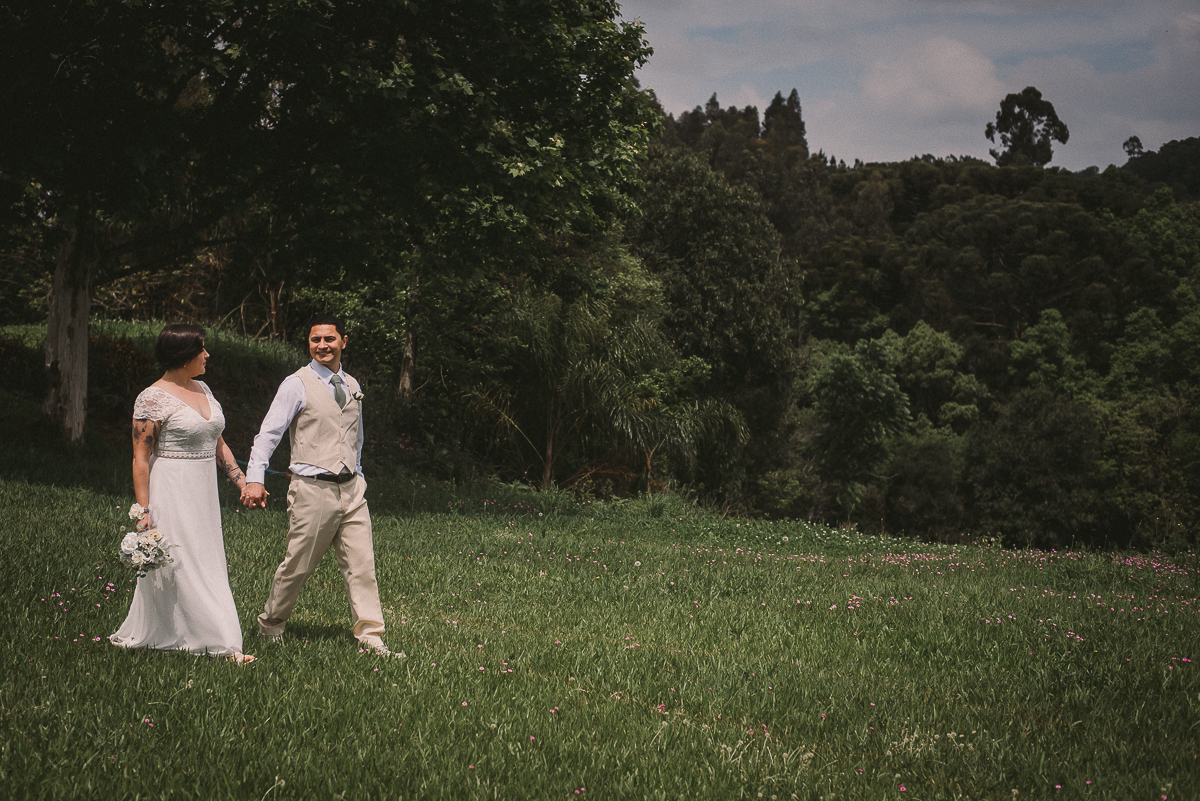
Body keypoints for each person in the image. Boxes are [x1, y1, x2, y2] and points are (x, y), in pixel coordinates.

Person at [240, 315, 401, 658]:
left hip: (352, 489)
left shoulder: (352, 383)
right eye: (316, 340)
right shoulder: (296, 384)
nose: (322, 346)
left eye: (329, 339)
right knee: (298, 564)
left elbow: (355, 438)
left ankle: (371, 636)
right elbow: (268, 434)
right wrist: (254, 478)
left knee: (362, 565)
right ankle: (270, 625)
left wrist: (358, 473)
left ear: (343, 341)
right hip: (312, 490)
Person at [110, 324, 255, 663]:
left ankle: (189, 633)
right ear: (183, 355)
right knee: (182, 560)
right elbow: (140, 458)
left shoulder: (203, 388)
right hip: (171, 488)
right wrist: (143, 509)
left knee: (206, 558)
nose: (207, 355)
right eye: (201, 349)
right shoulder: (152, 398)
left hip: (203, 490)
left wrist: (242, 482)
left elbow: (217, 442)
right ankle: (222, 643)